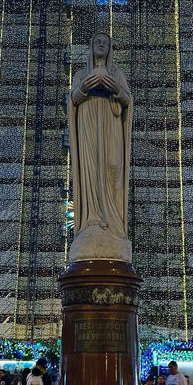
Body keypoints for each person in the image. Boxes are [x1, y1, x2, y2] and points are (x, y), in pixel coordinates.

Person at [67, 32, 133, 263]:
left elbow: (127, 101)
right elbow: (72, 99)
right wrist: (84, 87)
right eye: (97, 42)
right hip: (88, 123)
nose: (102, 45)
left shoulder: (118, 74)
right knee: (91, 170)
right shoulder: (80, 74)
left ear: (110, 48)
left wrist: (115, 88)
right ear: (92, 47)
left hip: (111, 122)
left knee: (113, 167)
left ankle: (114, 225)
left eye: (105, 43)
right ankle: (91, 221)